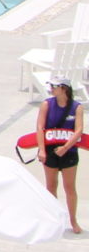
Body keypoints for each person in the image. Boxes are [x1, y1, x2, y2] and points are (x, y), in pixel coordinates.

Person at [37, 77, 83, 234]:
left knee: (69, 187)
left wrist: (65, 147)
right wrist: (42, 150)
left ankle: (73, 220)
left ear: (64, 89)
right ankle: (54, 219)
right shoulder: (46, 104)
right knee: (51, 186)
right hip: (50, 150)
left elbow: (79, 131)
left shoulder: (76, 108)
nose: (51, 89)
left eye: (55, 86)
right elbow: (40, 127)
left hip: (69, 151)